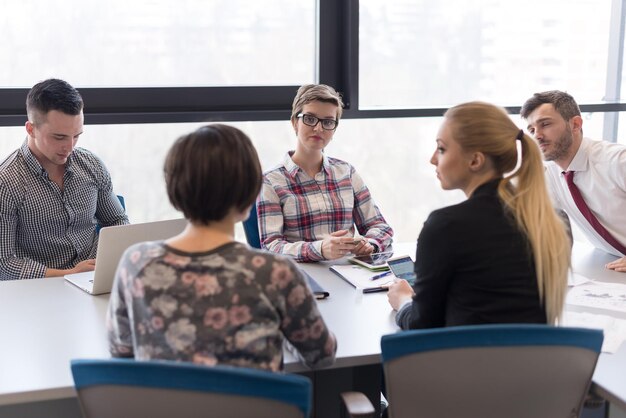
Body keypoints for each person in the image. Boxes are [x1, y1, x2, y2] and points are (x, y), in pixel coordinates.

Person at [107, 124, 336, 371]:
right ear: (249, 193)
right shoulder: (275, 272)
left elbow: (121, 350)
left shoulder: (136, 263)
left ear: (175, 189)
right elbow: (322, 356)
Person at [387, 102, 571, 328]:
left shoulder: (446, 226)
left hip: (467, 362)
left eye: (442, 148)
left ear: (475, 160)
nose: (433, 159)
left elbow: (422, 325)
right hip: (535, 362)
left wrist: (404, 301)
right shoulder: (554, 221)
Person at [0, 78, 128, 280]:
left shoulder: (91, 165)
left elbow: (117, 220)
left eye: (76, 135)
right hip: (41, 290)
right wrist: (69, 275)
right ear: (31, 129)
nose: (69, 147)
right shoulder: (6, 182)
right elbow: (4, 264)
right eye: (59, 137)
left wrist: (102, 264)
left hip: (95, 278)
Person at [258, 84, 393, 262]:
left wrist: (370, 244)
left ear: (334, 129)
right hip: (302, 279)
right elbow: (271, 246)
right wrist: (319, 249)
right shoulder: (271, 181)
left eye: (328, 122)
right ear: (294, 123)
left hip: (350, 273)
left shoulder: (347, 172)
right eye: (310, 119)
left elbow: (380, 226)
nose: (319, 129)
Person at [521, 90, 626, 273]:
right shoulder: (550, 175)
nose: (536, 135)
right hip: (612, 268)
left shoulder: (617, 161)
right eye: (531, 130)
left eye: (545, 124)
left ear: (575, 124)